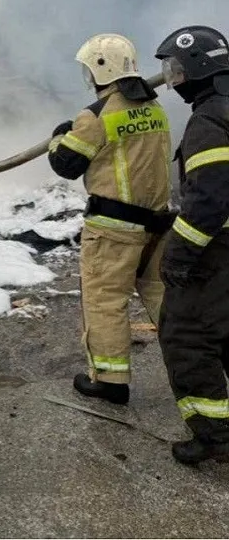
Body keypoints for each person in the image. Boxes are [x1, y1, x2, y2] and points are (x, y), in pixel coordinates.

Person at [46, 33, 172, 406]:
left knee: (104, 300)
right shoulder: (155, 109)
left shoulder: (96, 116)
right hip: (157, 224)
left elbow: (65, 164)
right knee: (163, 295)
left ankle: (109, 380)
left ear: (103, 69)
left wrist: (59, 138)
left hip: (114, 230)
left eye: (90, 69)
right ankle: (195, 360)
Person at [153, 25, 229, 465]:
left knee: (187, 337)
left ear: (198, 68)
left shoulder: (208, 120)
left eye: (176, 69)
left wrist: (179, 253)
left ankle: (215, 435)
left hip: (216, 251)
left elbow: (211, 199)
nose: (172, 78)